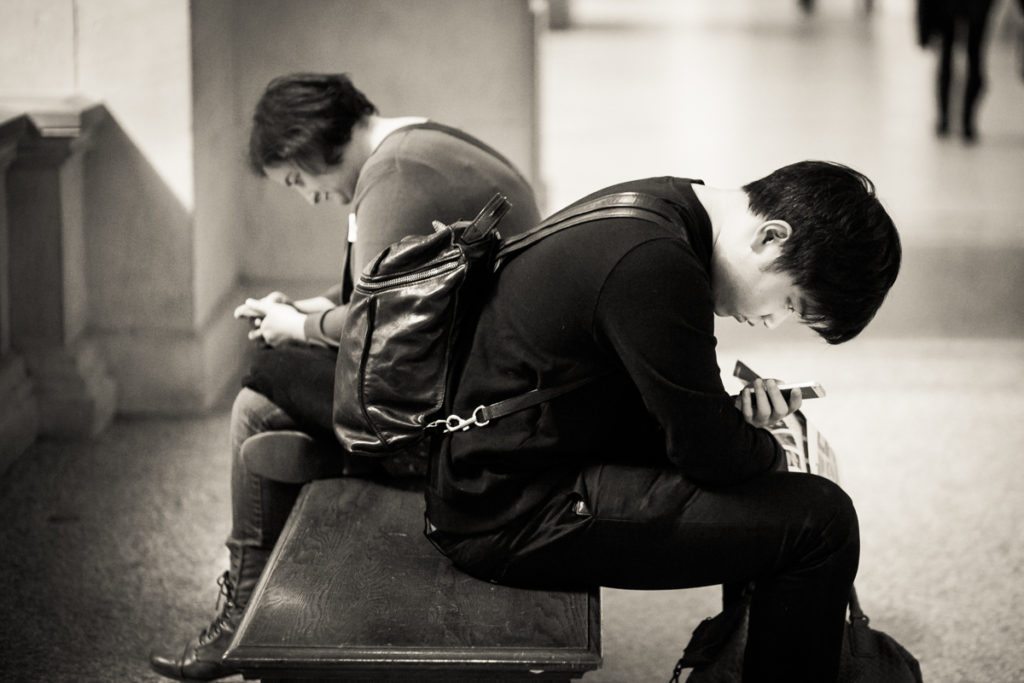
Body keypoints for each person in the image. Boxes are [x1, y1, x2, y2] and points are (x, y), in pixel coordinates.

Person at [424, 163, 901, 682]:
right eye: (790, 301)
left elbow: (687, 420)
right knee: (822, 523)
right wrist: (764, 445)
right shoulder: (657, 265)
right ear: (770, 237)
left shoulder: (664, 205)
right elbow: (712, 456)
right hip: (506, 514)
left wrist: (735, 426)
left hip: (512, 462)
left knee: (765, 478)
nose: (771, 322)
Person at [149, 73, 540, 681]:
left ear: (310, 145)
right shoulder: (421, 144)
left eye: (298, 180)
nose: (307, 198)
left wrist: (299, 329)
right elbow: (399, 291)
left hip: (464, 407)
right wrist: (304, 309)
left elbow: (375, 328)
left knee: (261, 388)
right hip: (486, 377)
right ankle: (269, 599)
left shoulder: (394, 178)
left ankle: (246, 611)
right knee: (272, 388)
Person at [917, 0, 1017, 142]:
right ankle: (963, 122)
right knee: (970, 58)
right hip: (970, 8)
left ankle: (949, 120)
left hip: (953, 8)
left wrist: (923, 26)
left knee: (952, 59)